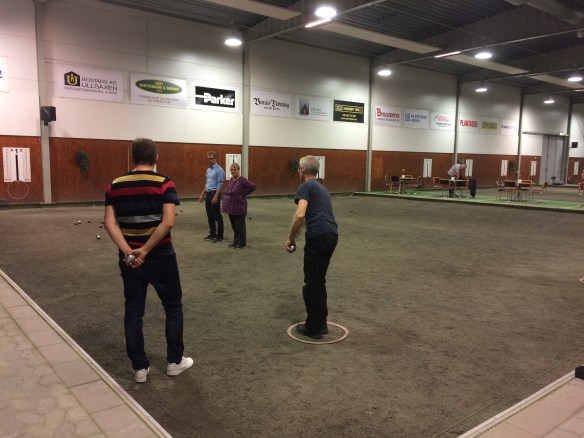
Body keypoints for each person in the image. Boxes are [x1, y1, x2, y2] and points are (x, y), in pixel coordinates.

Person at [104, 138, 193, 383]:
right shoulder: (165, 183)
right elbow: (168, 222)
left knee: (134, 311)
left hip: (130, 260)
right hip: (161, 255)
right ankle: (175, 362)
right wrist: (145, 249)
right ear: (156, 158)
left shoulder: (115, 185)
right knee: (173, 307)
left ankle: (140, 369)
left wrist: (129, 253)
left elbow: (109, 223)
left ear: (132, 156)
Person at [286, 155, 338, 340]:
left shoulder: (306, 186)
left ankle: (314, 327)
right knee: (319, 280)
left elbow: (300, 215)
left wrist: (290, 238)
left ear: (302, 170)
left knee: (312, 283)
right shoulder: (323, 188)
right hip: (332, 235)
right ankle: (321, 322)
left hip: (318, 237)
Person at [221, 162, 256, 248]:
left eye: (235, 169)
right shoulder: (231, 180)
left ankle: (242, 242)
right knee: (234, 226)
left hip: (239, 207)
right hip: (231, 208)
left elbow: (253, 186)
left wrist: (243, 194)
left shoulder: (242, 180)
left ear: (238, 170)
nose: (233, 171)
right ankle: (236, 240)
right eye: (231, 170)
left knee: (240, 226)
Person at [199, 151, 225, 242]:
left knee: (217, 216)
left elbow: (220, 184)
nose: (210, 160)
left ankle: (220, 236)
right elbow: (207, 184)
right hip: (208, 195)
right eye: (209, 159)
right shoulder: (208, 170)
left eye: (212, 158)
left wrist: (216, 196)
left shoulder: (220, 170)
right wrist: (202, 194)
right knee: (210, 216)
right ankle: (213, 234)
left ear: (215, 158)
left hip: (214, 194)